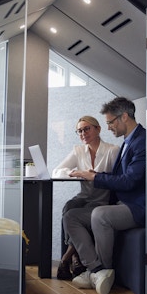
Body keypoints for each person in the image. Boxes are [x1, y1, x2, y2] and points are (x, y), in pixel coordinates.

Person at [65, 97, 147, 294]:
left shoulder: (144, 141)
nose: (108, 127)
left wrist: (96, 177)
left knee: (100, 215)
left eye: (110, 122)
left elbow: (130, 181)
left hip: (142, 206)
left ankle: (97, 272)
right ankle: (97, 270)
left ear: (124, 117)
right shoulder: (128, 141)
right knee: (71, 216)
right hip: (124, 204)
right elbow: (120, 177)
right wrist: (92, 174)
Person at [52, 115, 120, 280]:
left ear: (98, 129)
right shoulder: (78, 150)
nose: (83, 133)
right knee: (69, 205)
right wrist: (73, 172)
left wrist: (92, 175)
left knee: (72, 213)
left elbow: (120, 179)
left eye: (87, 129)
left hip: (103, 199)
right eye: (79, 131)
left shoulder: (112, 150)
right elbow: (56, 171)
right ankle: (74, 257)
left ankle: (67, 258)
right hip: (85, 196)